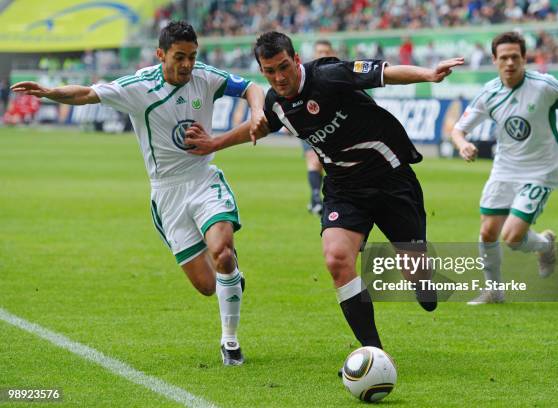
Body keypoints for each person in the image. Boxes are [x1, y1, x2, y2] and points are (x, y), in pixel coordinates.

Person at [184, 31, 464, 356]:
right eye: (269, 71)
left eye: (283, 67)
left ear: (296, 60)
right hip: (345, 188)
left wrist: (429, 73)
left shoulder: (329, 75)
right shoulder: (276, 102)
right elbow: (256, 128)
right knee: (336, 259)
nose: (279, 77)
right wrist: (215, 142)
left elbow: (384, 73)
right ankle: (374, 354)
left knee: (420, 282)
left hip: (391, 179)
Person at [11, 21, 267, 366]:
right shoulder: (138, 86)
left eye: (192, 56)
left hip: (204, 178)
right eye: (180, 57)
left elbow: (251, 86)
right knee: (208, 285)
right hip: (168, 194)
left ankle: (230, 341)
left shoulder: (205, 76)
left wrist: (256, 113)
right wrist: (49, 92)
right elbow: (86, 94)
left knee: (222, 252)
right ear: (160, 54)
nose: (188, 64)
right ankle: (231, 279)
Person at [451, 31, 558, 305]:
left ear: (524, 58)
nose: (509, 63)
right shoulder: (489, 93)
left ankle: (543, 246)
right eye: (503, 58)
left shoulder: (544, 85)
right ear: (494, 60)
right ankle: (494, 291)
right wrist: (462, 145)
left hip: (540, 171)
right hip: (504, 169)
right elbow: (459, 130)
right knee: (487, 232)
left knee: (513, 237)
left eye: (515, 57)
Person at [302, 39, 336, 216]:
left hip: (335, 129)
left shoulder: (339, 74)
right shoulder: (305, 75)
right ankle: (316, 198)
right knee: (312, 159)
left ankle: (324, 199)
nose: (322, 55)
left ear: (332, 54)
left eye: (326, 52)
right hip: (310, 127)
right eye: (319, 52)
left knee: (329, 166)